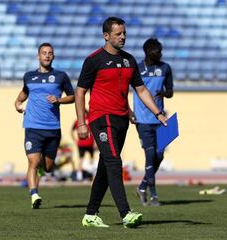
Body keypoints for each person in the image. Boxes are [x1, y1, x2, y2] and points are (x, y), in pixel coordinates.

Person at [75, 16, 167, 228]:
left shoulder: (129, 60)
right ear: (106, 36)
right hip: (101, 118)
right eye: (118, 33)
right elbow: (80, 92)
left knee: (105, 168)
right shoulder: (94, 60)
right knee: (114, 162)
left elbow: (141, 90)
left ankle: (90, 214)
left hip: (122, 119)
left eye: (124, 33)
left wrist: (158, 113)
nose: (123, 36)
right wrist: (82, 122)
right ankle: (126, 213)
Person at [14, 42, 75, 209]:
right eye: (44, 53)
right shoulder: (29, 76)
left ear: (53, 56)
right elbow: (25, 92)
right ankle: (34, 194)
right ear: (38, 56)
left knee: (47, 167)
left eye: (50, 53)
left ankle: (42, 171)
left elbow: (73, 96)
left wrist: (59, 100)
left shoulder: (61, 76)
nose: (47, 55)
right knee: (32, 162)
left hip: (53, 128)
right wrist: (18, 102)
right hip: (32, 127)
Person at [132, 38, 174, 207]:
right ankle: (154, 196)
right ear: (149, 52)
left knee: (159, 155)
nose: (161, 54)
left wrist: (164, 93)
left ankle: (142, 187)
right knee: (150, 155)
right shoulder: (137, 69)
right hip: (143, 120)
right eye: (158, 51)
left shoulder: (165, 68)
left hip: (161, 119)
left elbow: (171, 92)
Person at [71, 110, 96, 181]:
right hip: (82, 144)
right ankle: (80, 176)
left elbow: (94, 132)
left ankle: (91, 175)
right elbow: (72, 130)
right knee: (81, 160)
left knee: (91, 159)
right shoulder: (78, 121)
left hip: (90, 143)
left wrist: (95, 143)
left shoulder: (89, 120)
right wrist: (75, 139)